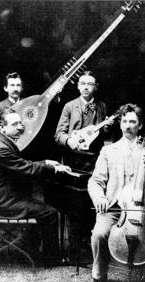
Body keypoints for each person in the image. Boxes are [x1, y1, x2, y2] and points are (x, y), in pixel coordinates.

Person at [84, 103, 145, 282]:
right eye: (124, 121)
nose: (128, 125)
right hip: (116, 206)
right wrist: (100, 198)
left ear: (140, 125)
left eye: (132, 121)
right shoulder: (108, 150)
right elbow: (95, 181)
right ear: (120, 124)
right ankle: (98, 275)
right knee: (99, 234)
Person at [0, 112, 71, 265]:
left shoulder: (4, 142)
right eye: (15, 124)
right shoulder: (1, 149)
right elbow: (27, 168)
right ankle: (51, 259)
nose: (20, 127)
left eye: (21, 123)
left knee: (40, 207)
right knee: (50, 213)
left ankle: (30, 247)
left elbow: (22, 163)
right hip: (5, 202)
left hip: (9, 197)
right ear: (2, 127)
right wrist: (51, 168)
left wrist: (47, 161)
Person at [54, 70, 114, 261]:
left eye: (90, 83)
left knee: (93, 201)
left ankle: (91, 246)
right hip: (73, 163)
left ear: (95, 87)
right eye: (83, 83)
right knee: (74, 205)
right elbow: (59, 134)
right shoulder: (69, 107)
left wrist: (105, 130)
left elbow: (104, 137)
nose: (86, 87)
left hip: (95, 162)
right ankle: (74, 250)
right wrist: (69, 141)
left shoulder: (102, 107)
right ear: (78, 86)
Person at [0, 72, 24, 137]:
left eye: (18, 85)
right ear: (5, 88)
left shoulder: (26, 103)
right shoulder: (0, 106)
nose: (15, 89)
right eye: (12, 85)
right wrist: (4, 124)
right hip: (8, 141)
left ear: (22, 88)